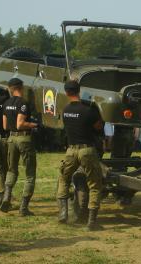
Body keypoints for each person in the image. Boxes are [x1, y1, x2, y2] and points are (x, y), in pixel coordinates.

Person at [56, 80, 104, 230]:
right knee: (94, 184)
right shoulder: (89, 110)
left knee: (64, 179)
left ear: (66, 92)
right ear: (79, 91)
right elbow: (99, 127)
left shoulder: (65, 110)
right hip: (87, 150)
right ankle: (91, 222)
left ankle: (63, 213)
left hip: (71, 150)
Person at [0, 78, 37, 216]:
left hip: (11, 138)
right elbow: (20, 124)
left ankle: (6, 197)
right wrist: (34, 125)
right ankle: (24, 207)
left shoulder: (6, 103)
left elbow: (5, 126)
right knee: (30, 173)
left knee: (12, 170)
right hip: (23, 138)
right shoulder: (23, 103)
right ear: (21, 88)